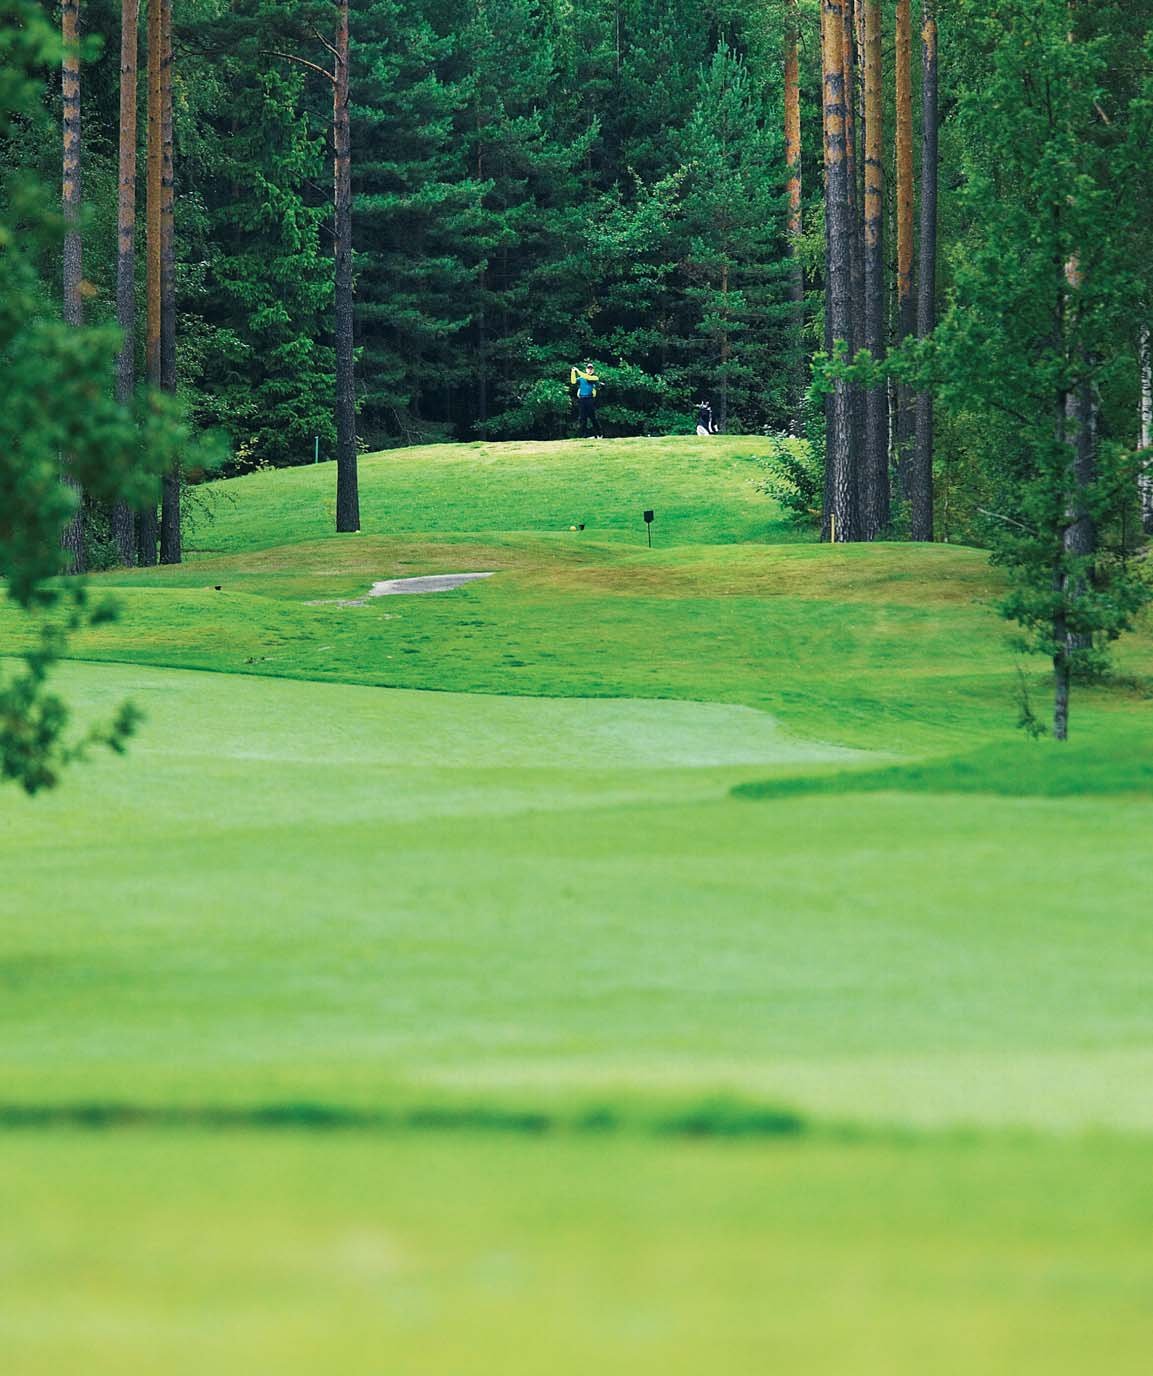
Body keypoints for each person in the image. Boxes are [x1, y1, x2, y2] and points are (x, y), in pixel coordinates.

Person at [570, 362, 602, 438]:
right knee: (582, 418)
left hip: (590, 399)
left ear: (593, 370)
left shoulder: (594, 378)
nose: (590, 370)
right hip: (582, 399)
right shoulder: (581, 378)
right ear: (586, 369)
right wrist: (573, 372)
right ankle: (584, 435)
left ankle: (599, 434)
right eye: (588, 369)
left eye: (591, 369)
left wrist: (577, 370)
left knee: (593, 417)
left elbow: (587, 378)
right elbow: (573, 381)